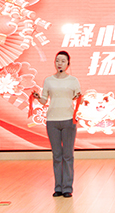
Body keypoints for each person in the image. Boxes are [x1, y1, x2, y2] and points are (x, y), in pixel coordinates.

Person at [33, 51, 82, 198]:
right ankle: (58, 188)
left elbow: (77, 96)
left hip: (68, 120)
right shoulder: (48, 80)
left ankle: (67, 188)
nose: (59, 63)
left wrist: (78, 96)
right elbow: (44, 100)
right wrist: (37, 97)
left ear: (68, 63)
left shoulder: (73, 80)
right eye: (57, 61)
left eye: (63, 61)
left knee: (68, 155)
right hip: (52, 121)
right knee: (57, 155)